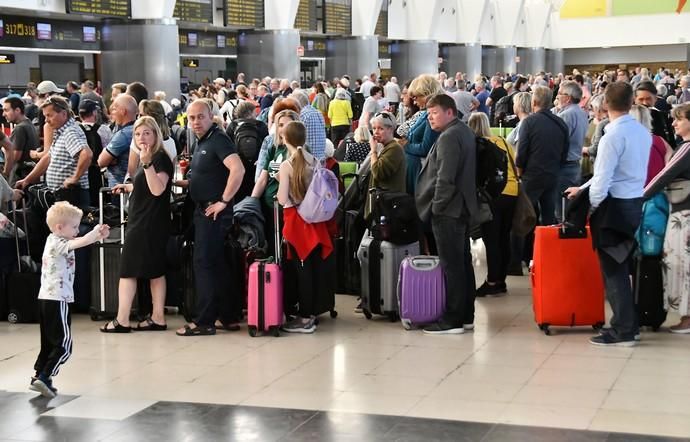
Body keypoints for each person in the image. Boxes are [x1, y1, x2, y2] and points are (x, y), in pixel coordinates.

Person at [567, 81, 651, 347]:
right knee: (621, 267)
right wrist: (582, 187)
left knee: (613, 271)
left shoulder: (611, 136)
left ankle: (624, 329)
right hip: (634, 201)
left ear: (605, 104)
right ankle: (627, 324)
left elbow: (603, 180)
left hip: (613, 206)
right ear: (630, 102)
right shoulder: (641, 132)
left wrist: (589, 209)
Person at [176, 100, 245, 336]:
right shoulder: (202, 141)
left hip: (213, 212)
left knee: (203, 263)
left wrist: (223, 201)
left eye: (200, 117)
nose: (195, 122)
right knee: (217, 263)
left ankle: (204, 320)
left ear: (210, 116)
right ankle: (226, 315)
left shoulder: (218, 139)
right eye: (191, 118)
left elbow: (238, 169)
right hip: (202, 209)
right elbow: (210, 173)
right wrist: (183, 182)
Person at [100, 117, 173, 333]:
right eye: (138, 134)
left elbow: (158, 189)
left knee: (128, 271)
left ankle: (122, 320)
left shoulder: (158, 158)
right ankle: (157, 317)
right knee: (154, 271)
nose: (142, 138)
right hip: (147, 220)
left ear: (156, 135)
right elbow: (146, 186)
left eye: (147, 133)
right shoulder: (148, 157)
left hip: (147, 223)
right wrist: (129, 187)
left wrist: (148, 163)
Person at [30, 201, 109, 397]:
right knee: (64, 344)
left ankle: (40, 375)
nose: (76, 230)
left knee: (48, 341)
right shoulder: (59, 243)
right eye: (74, 227)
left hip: (46, 298)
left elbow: (76, 241)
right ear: (59, 227)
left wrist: (96, 236)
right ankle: (44, 376)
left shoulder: (52, 240)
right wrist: (94, 234)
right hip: (58, 299)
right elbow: (78, 243)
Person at [415, 94, 478, 334]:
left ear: (450, 112)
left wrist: (436, 207)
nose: (430, 117)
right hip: (460, 207)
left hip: (449, 210)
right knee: (462, 262)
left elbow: (445, 178)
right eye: (428, 113)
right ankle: (466, 315)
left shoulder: (449, 137)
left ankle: (452, 319)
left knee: (452, 265)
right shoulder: (463, 131)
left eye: (434, 112)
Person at [277, 121, 334, 333]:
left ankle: (304, 317)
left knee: (301, 271)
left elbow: (283, 199)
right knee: (312, 268)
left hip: (296, 221)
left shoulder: (287, 165)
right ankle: (312, 312)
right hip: (316, 220)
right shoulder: (316, 161)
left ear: (285, 139)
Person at [643, 102, 690, 333]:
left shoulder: (686, 147)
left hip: (683, 215)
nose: (674, 123)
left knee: (680, 265)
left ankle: (687, 317)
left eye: (679, 119)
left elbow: (663, 176)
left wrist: (640, 197)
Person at [468, 113, 518, 297]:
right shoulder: (503, 141)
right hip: (512, 192)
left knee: (491, 239)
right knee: (504, 237)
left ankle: (492, 281)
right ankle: (501, 280)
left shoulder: (478, 146)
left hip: (493, 196)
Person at [15, 96, 93, 209]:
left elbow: (86, 154)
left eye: (49, 115)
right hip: (62, 194)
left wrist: (75, 178)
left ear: (64, 114)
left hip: (71, 195)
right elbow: (48, 158)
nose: (46, 120)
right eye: (45, 116)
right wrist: (27, 180)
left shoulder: (70, 132)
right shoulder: (62, 131)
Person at [553, 80, 588, 217]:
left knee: (561, 210)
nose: (557, 96)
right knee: (569, 207)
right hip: (575, 164)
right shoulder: (581, 112)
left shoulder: (566, 115)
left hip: (564, 166)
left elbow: (558, 141)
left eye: (560, 94)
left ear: (567, 97)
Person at [403, 74, 442, 195]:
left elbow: (426, 148)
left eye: (415, 97)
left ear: (426, 94)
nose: (414, 102)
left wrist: (405, 145)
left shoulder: (433, 115)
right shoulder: (426, 113)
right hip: (415, 168)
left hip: (420, 170)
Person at [364, 112, 406, 219]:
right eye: (374, 128)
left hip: (389, 205)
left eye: (380, 128)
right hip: (384, 203)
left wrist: (373, 151)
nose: (376, 132)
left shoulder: (394, 148)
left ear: (390, 129)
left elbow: (378, 172)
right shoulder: (386, 147)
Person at [98, 94, 137, 187]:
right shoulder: (138, 129)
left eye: (114, 109)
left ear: (123, 111)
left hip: (120, 188)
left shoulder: (123, 135)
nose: (112, 113)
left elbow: (101, 161)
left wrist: (108, 152)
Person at [2, 96, 39, 186]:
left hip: (19, 176)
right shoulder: (29, 124)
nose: (3, 114)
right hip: (29, 174)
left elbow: (15, 156)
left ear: (17, 110)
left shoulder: (19, 128)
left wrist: (4, 148)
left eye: (6, 110)